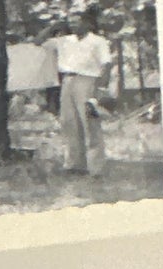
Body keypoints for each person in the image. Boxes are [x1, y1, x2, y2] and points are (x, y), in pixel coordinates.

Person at [47, 10, 115, 175]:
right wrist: (54, 26)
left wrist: (100, 89)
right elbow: (37, 41)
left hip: (88, 81)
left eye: (76, 21)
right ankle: (74, 165)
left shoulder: (98, 41)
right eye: (70, 21)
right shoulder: (64, 41)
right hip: (67, 81)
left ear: (87, 23)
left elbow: (106, 65)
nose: (72, 24)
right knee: (69, 123)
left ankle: (96, 168)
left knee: (89, 122)